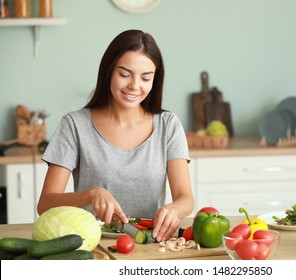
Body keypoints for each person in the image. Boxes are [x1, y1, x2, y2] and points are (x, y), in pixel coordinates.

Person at [37, 30, 194, 242]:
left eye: (146, 78)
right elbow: (45, 204)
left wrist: (173, 210)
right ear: (108, 72)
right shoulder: (74, 125)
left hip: (147, 245)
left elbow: (185, 198)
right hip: (91, 245)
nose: (135, 86)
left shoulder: (168, 125)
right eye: (125, 74)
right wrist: (91, 195)